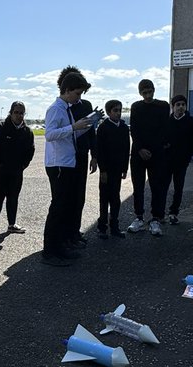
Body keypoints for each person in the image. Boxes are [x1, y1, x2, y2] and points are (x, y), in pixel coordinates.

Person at [42, 69, 93, 266]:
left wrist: (83, 127)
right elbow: (49, 134)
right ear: (67, 90)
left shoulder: (66, 109)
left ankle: (60, 246)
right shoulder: (56, 109)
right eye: (77, 93)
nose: (79, 98)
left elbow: (67, 136)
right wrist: (73, 127)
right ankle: (50, 251)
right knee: (58, 207)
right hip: (58, 165)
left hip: (66, 162)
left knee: (64, 207)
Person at [56, 65, 97, 247]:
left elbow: (91, 132)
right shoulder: (62, 107)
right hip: (65, 159)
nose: (79, 96)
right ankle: (64, 235)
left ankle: (74, 232)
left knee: (79, 197)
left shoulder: (85, 105)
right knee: (66, 198)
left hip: (81, 155)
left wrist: (94, 155)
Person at [127, 79, 171, 236]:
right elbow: (134, 129)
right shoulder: (136, 107)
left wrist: (155, 148)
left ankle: (155, 219)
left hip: (156, 153)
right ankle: (138, 217)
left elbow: (164, 129)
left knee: (156, 186)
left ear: (154, 90)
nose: (147, 95)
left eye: (149, 92)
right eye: (144, 93)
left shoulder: (163, 106)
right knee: (137, 187)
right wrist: (140, 148)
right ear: (140, 93)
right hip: (139, 153)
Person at [0, 101, 35, 236]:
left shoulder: (27, 131)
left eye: (21, 113)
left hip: (16, 170)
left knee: (13, 197)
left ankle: (12, 224)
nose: (19, 116)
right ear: (11, 113)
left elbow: (30, 150)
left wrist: (23, 165)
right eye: (16, 112)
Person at [94, 99, 130, 239]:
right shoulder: (103, 128)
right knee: (104, 199)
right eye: (115, 110)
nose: (118, 113)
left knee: (116, 198)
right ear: (109, 112)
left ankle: (114, 226)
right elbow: (99, 150)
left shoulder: (123, 127)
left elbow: (127, 147)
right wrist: (102, 170)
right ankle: (101, 227)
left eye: (120, 110)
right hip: (106, 170)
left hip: (118, 169)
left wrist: (125, 168)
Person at [166, 94, 193, 225]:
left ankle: (174, 212)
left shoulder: (191, 122)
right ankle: (158, 214)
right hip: (167, 161)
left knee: (178, 187)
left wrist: (187, 156)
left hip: (182, 162)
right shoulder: (167, 121)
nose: (180, 107)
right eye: (177, 105)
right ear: (173, 106)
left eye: (183, 104)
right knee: (162, 186)